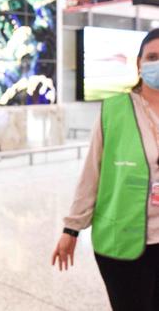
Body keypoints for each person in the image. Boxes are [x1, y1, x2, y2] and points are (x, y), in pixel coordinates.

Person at [52, 28, 159, 311]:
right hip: (122, 241)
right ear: (138, 63)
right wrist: (71, 228)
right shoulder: (115, 109)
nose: (157, 64)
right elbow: (92, 173)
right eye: (152, 57)